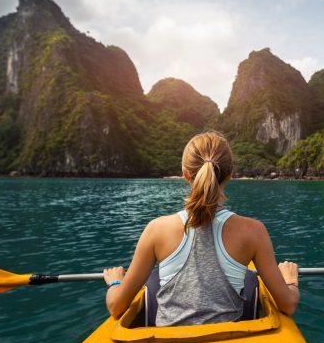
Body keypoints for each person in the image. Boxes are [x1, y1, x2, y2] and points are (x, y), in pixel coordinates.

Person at [103, 131, 300, 326]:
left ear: (185, 174)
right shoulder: (253, 231)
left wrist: (115, 283)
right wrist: (290, 281)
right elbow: (288, 305)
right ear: (230, 174)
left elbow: (116, 306)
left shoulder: (156, 230)